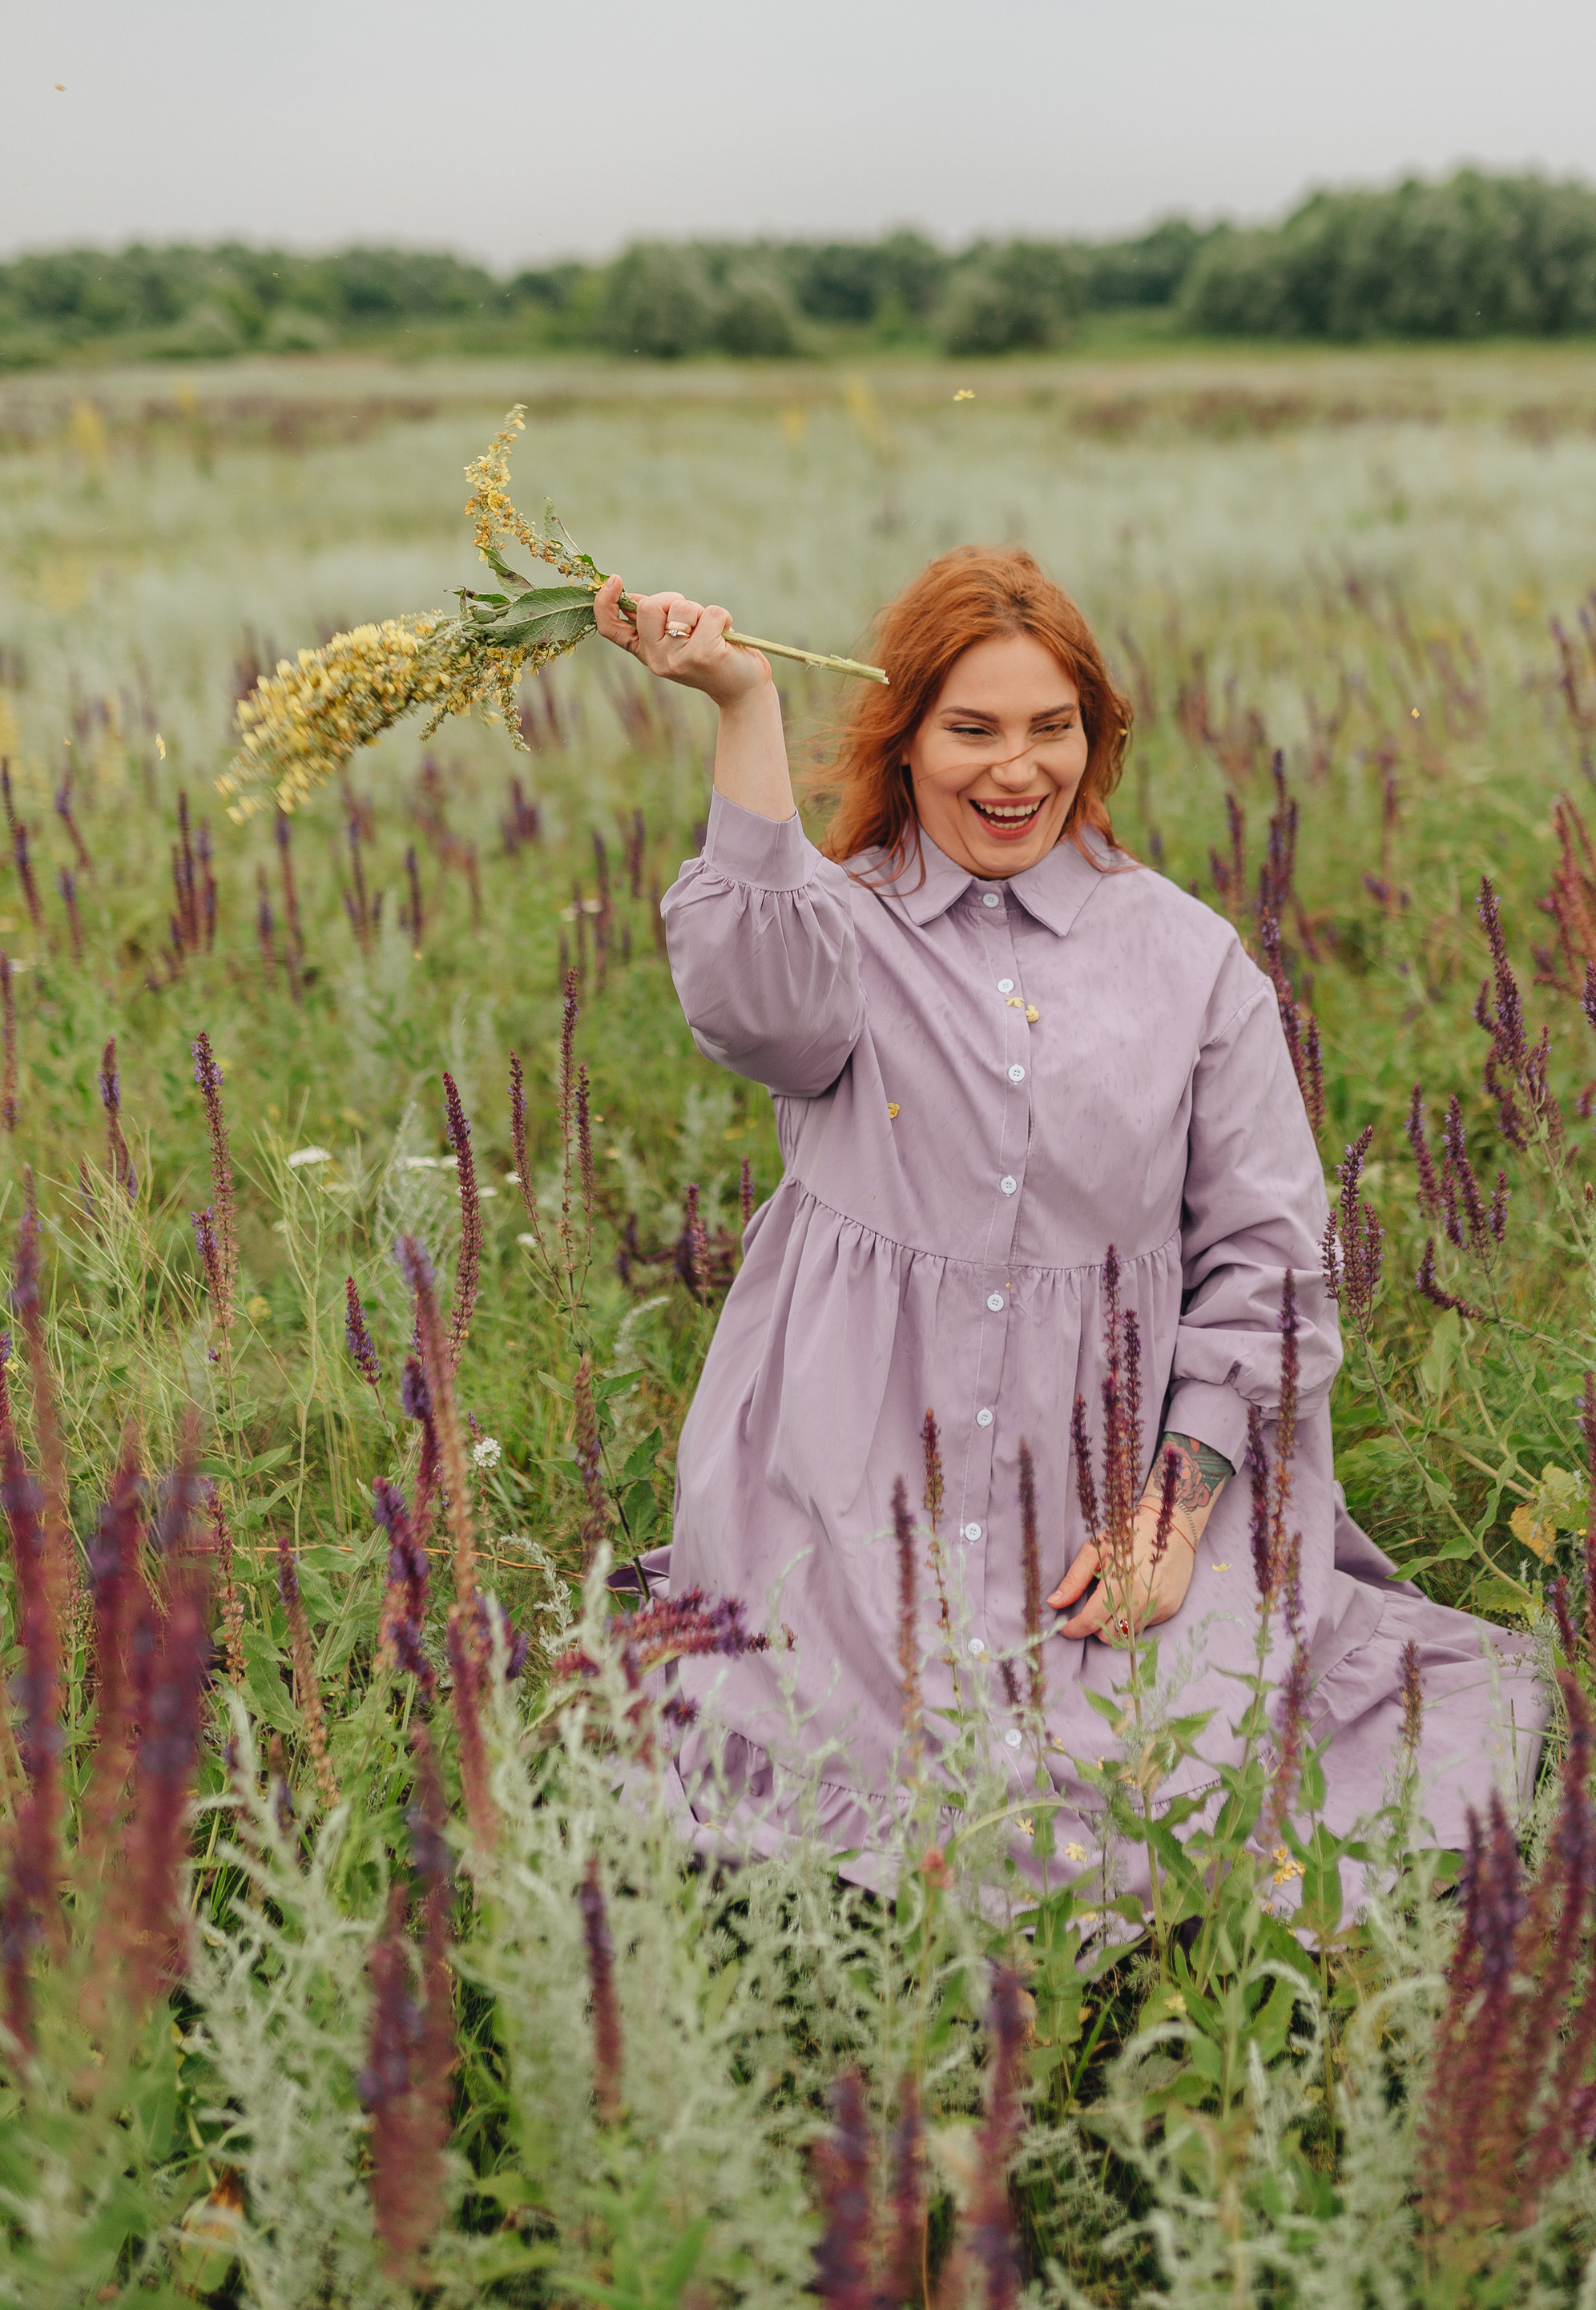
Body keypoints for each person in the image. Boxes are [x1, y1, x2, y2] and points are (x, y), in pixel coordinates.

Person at [592, 546, 1543, 1904]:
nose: (1015, 769)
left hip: (1103, 1483)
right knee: (853, 1755)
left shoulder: (1190, 961)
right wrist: (742, 706)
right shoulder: (840, 927)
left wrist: (1174, 1504)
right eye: (972, 729)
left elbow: (1271, 1265)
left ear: (1096, 742)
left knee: (1150, 1781)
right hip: (853, 1466)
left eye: (1053, 729)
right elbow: (755, 1011)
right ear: (906, 740)